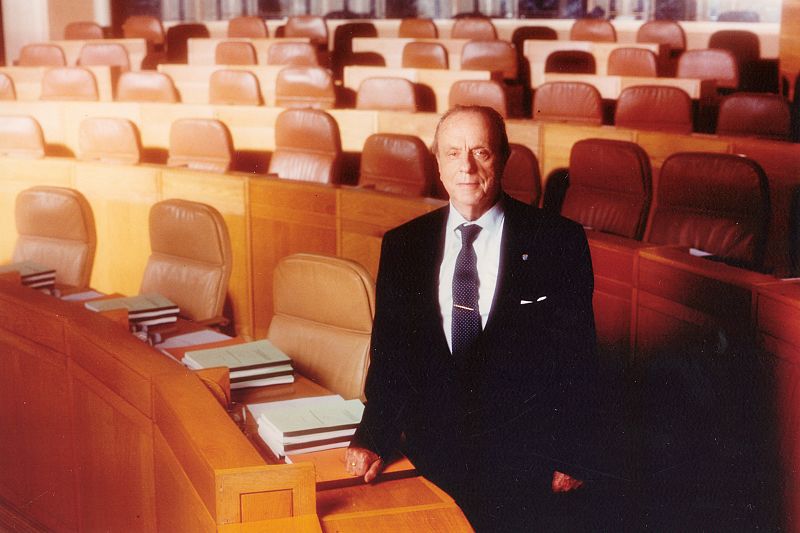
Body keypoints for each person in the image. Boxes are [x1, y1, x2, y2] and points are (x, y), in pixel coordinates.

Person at [345, 105, 600, 531]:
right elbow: (391, 358)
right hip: (432, 459)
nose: (466, 166)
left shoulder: (557, 241)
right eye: (453, 153)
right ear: (438, 165)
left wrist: (572, 455)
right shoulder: (404, 245)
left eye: (480, 152)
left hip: (524, 468)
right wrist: (372, 437)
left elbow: (578, 361)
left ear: (503, 158)